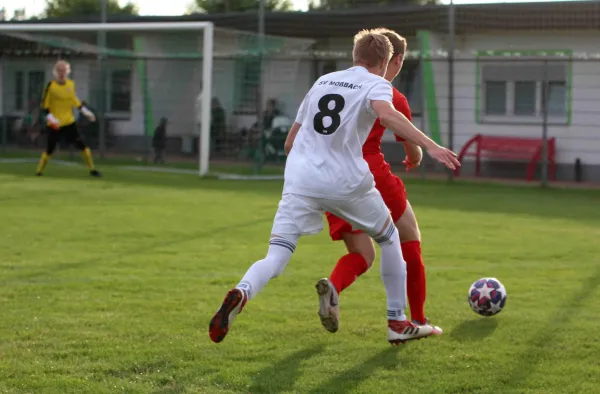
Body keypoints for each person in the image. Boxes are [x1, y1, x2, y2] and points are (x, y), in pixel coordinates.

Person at [208, 30, 460, 345]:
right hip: (346, 182)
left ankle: (242, 291)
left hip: (300, 180)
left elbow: (290, 143)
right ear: (384, 62)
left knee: (276, 257)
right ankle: (398, 321)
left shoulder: (322, 82)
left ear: (355, 55)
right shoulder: (377, 84)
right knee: (390, 238)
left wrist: (311, 168)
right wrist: (431, 146)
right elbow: (387, 114)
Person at [294, 28, 437, 334]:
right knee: (408, 236)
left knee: (362, 254)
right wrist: (415, 158)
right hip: (369, 173)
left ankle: (333, 286)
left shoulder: (336, 85)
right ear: (393, 60)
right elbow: (410, 146)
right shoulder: (390, 94)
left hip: (328, 176)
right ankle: (417, 320)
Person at [35, 60, 101, 177]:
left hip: (69, 122)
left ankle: (92, 170)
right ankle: (39, 171)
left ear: (68, 72)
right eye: (59, 71)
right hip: (55, 124)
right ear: (55, 72)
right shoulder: (51, 86)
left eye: (64, 71)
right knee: (50, 150)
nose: (62, 73)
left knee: (82, 146)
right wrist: (52, 119)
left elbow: (75, 100)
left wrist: (87, 112)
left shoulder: (71, 84)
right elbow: (45, 107)